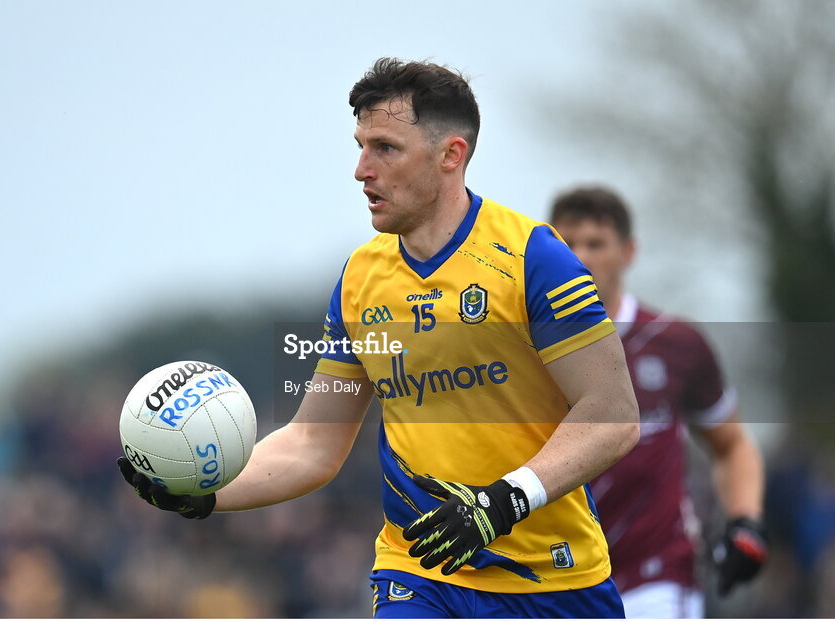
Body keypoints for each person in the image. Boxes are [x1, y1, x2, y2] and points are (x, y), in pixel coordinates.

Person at [118, 58, 640, 618]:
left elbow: (612, 415)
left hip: (554, 580)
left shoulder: (533, 257)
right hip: (418, 573)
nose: (361, 169)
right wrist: (205, 493)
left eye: (385, 148)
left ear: (451, 155)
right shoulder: (360, 280)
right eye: (360, 145)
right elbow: (313, 445)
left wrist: (505, 500)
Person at [549, 186, 768, 618]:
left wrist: (746, 522)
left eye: (596, 244)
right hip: (555, 572)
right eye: (566, 243)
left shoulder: (676, 343)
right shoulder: (521, 349)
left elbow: (732, 445)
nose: (580, 257)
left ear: (628, 252)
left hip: (656, 572)